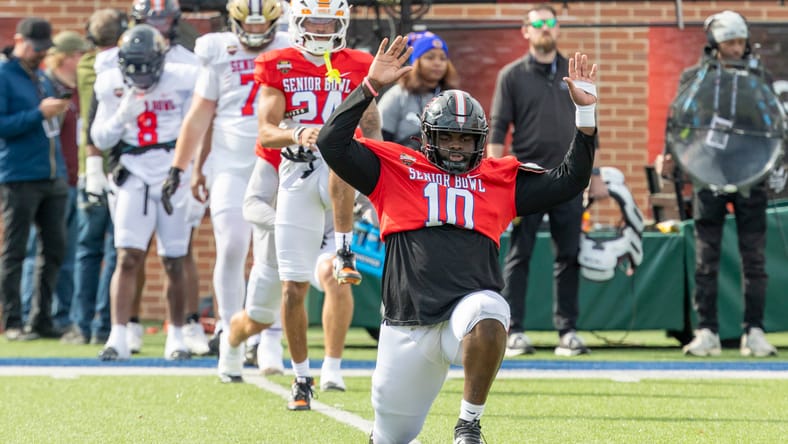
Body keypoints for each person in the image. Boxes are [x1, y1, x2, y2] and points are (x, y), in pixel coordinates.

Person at [317, 36, 598, 444]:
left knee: (491, 309)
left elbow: (570, 180)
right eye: (447, 137)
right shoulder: (396, 168)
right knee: (392, 436)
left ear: (480, 141)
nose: (455, 147)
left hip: (463, 316)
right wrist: (370, 86)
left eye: (465, 139)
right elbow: (331, 143)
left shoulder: (498, 178)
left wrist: (585, 113)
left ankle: (469, 423)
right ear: (427, 136)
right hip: (407, 324)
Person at [253, 0, 383, 408]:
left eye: (330, 22)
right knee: (293, 289)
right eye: (315, 21)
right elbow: (266, 131)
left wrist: (379, 179)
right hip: (297, 175)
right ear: (298, 22)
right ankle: (301, 377)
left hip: (342, 173)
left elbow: (371, 126)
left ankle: (344, 250)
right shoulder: (279, 63)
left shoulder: (358, 63)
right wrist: (298, 134)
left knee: (339, 152)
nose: (323, 29)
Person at [164, 0, 291, 379]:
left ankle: (269, 336)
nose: (255, 33)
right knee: (233, 245)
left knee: (275, 252)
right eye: (248, 26)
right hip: (229, 164)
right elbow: (200, 114)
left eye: (262, 26)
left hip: (277, 161)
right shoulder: (217, 49)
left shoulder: (290, 46)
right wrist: (182, 166)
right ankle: (228, 328)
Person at [487, 3, 606, 357]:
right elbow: (498, 129)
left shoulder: (574, 73)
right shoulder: (511, 75)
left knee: (569, 255)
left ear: (557, 28)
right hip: (525, 179)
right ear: (525, 30)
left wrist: (594, 173)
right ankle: (514, 331)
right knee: (518, 254)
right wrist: (494, 179)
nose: (544, 28)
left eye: (550, 22)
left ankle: (567, 332)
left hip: (569, 178)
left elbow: (591, 127)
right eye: (537, 23)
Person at [660, 10, 778, 358]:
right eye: (730, 42)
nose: (736, 48)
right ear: (714, 43)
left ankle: (754, 331)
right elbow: (679, 121)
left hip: (752, 173)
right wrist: (670, 154)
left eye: (741, 42)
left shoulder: (759, 78)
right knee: (706, 258)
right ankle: (707, 331)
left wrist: (778, 160)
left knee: (754, 258)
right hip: (707, 171)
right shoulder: (694, 78)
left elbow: (774, 123)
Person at [90, 25, 199, 360]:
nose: (140, 77)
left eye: (146, 68)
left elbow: (195, 128)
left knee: (174, 258)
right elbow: (100, 138)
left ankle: (176, 335)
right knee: (126, 256)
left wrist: (195, 173)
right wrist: (121, 116)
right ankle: (118, 335)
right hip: (133, 172)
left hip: (172, 171)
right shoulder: (109, 82)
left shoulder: (183, 77)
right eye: (133, 69)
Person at [0, 18, 71, 341]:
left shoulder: (41, 76)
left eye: (43, 48)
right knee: (15, 251)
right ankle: (13, 321)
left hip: (52, 174)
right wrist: (38, 114)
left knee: (54, 250)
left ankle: (42, 319)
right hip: (19, 175)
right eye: (34, 47)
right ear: (19, 40)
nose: (39, 53)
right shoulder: (5, 75)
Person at [59, 9, 127, 346]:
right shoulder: (123, 65)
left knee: (88, 249)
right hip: (121, 163)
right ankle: (104, 323)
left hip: (93, 165)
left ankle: (82, 324)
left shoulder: (88, 65)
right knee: (115, 249)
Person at [18, 31, 89, 332]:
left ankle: (61, 315)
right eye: (79, 55)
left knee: (66, 254)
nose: (84, 61)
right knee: (37, 252)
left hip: (73, 181)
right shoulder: (45, 87)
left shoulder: (77, 91)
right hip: (47, 181)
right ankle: (29, 313)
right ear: (67, 57)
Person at [377, 31, 459, 150]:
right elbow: (381, 137)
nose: (437, 63)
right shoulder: (398, 95)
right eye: (430, 57)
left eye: (443, 58)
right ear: (416, 62)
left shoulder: (452, 98)